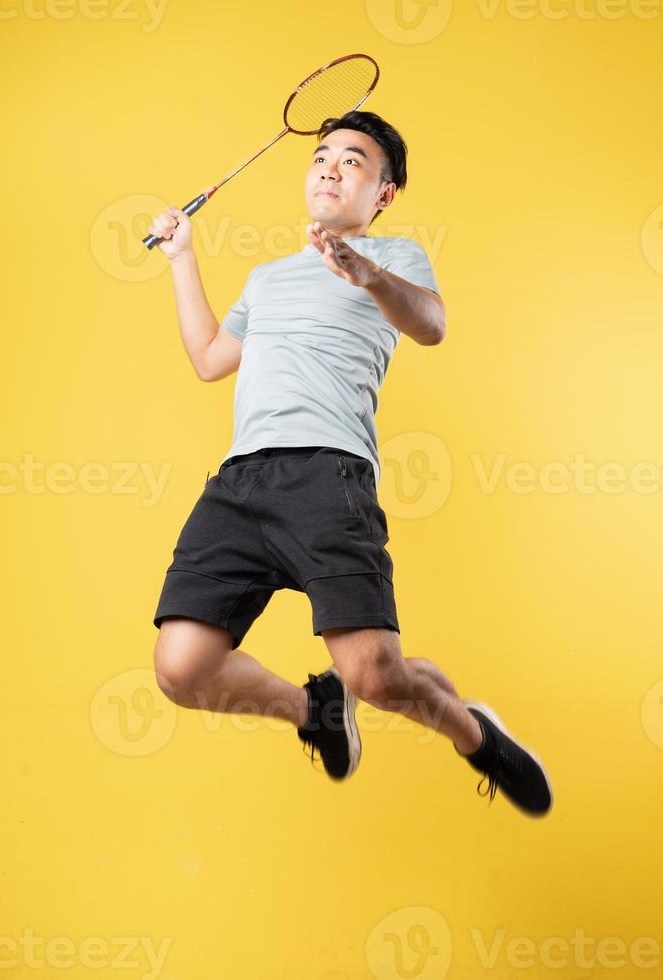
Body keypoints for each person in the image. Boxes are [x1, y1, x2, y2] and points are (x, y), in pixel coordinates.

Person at [148, 110, 553, 817]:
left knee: (373, 673)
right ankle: (311, 710)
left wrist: (363, 272)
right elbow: (211, 358)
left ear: (383, 194)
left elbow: (430, 326)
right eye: (321, 157)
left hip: (326, 478)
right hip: (241, 482)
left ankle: (475, 735)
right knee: (181, 668)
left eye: (353, 161)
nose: (330, 167)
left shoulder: (394, 259)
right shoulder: (269, 278)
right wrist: (182, 257)